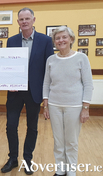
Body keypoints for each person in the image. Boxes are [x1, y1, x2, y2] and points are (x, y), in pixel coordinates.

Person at [1, 8, 54, 175]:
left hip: (35, 92)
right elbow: (8, 66)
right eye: (21, 19)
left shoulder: (45, 40)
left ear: (33, 20)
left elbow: (49, 68)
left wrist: (47, 95)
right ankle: (13, 158)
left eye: (27, 18)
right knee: (11, 126)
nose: (24, 21)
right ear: (18, 22)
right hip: (15, 92)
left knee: (32, 127)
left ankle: (27, 159)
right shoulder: (11, 40)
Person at [43, 26, 93, 176]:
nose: (61, 40)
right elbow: (46, 83)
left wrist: (86, 107)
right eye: (57, 38)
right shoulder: (51, 59)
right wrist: (45, 105)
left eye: (64, 37)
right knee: (58, 141)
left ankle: (71, 170)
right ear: (54, 42)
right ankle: (60, 169)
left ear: (71, 39)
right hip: (54, 105)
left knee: (71, 141)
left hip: (75, 106)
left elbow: (88, 84)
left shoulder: (81, 58)